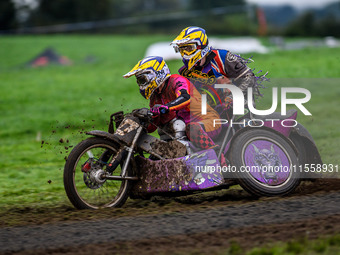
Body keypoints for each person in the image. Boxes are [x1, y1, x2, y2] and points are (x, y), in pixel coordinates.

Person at [123, 56, 221, 150]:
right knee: (163, 135)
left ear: (157, 73)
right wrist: (143, 120)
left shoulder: (177, 80)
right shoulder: (155, 96)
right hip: (182, 127)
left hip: (208, 121)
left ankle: (219, 159)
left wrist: (165, 107)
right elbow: (155, 125)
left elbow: (185, 97)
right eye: (139, 81)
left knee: (192, 128)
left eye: (143, 79)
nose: (141, 84)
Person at [171, 26, 257, 113]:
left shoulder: (222, 57)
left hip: (237, 106)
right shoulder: (184, 72)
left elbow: (249, 77)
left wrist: (231, 98)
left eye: (189, 48)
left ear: (201, 46)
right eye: (181, 49)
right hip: (208, 113)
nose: (185, 53)